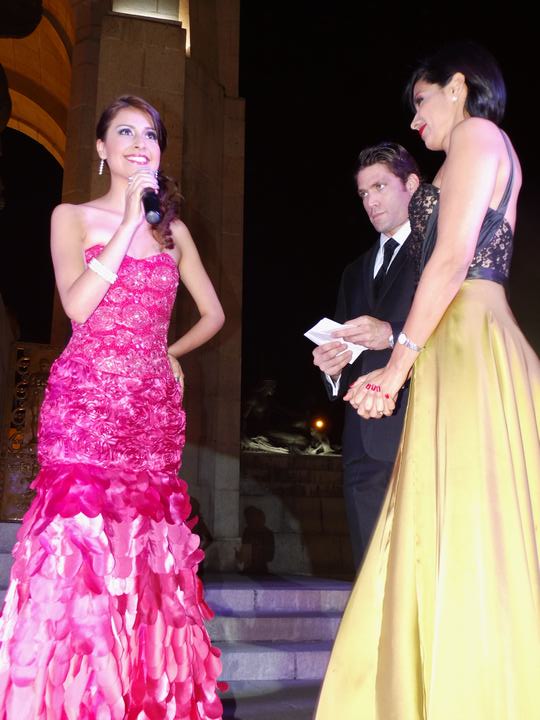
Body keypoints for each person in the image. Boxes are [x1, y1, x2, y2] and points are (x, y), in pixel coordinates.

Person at [315, 42, 540, 719]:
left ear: (457, 86)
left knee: (468, 525)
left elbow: (450, 260)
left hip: (467, 336)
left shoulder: (477, 135)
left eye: (421, 100)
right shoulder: (472, 149)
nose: (415, 120)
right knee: (451, 529)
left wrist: (394, 370)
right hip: (452, 339)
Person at [0, 95, 227, 719]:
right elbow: (77, 306)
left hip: (150, 411)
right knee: (78, 549)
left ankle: (138, 697)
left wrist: (167, 353)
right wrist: (128, 223)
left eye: (149, 135)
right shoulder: (70, 217)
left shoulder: (175, 232)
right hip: (85, 403)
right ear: (101, 149)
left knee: (144, 551)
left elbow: (213, 314)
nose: (139, 144)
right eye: (124, 132)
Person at [312, 142, 420, 568]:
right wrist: (331, 368)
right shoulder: (353, 271)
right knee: (369, 571)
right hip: (362, 446)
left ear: (412, 185)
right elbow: (345, 345)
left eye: (380, 187)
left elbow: (456, 332)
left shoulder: (438, 253)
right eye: (363, 193)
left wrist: (390, 334)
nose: (370, 201)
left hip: (419, 428)